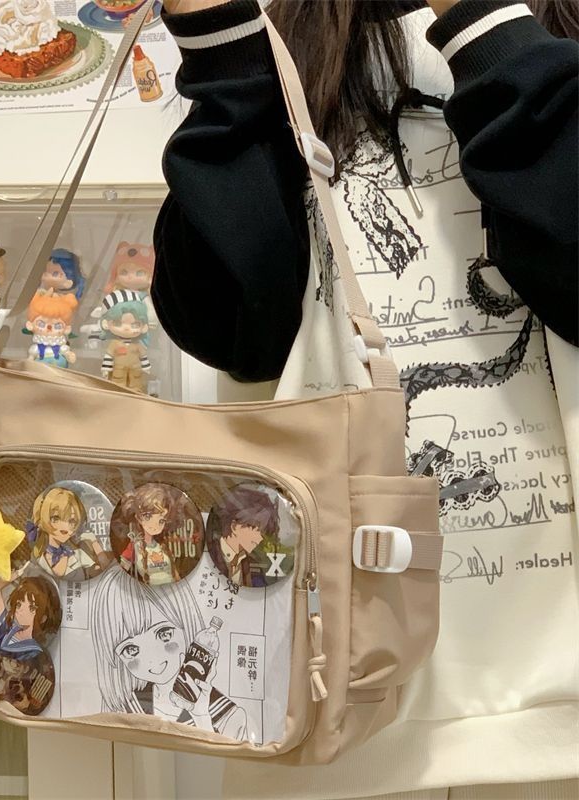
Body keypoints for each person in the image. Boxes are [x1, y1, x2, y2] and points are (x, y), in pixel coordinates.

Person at [155, 0, 578, 797]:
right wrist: (221, 54)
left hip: (554, 701)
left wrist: (485, 25)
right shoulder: (293, 41)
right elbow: (233, 332)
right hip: (329, 690)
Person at [90, 567, 248, 739]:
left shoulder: (228, 716)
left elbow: (224, 755)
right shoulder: (125, 708)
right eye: (130, 650)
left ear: (186, 622)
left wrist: (201, 716)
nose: (152, 660)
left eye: (164, 634)